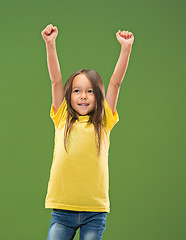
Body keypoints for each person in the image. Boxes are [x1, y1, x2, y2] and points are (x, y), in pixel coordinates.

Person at [41, 23, 134, 240]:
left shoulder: (103, 121)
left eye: (90, 91)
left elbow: (116, 83)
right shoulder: (62, 116)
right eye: (77, 91)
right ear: (68, 96)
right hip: (62, 210)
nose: (83, 96)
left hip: (95, 212)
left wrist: (126, 48)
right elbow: (55, 80)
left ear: (98, 97)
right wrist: (50, 44)